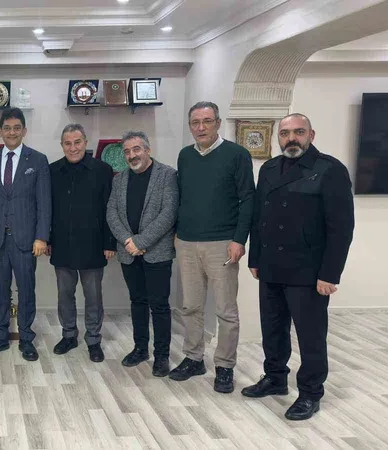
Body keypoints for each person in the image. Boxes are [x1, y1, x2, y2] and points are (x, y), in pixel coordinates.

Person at [243, 113, 354, 421]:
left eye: (298, 132)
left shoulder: (330, 169)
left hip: (308, 270)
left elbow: (341, 228)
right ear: (278, 137)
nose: (291, 138)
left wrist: (330, 274)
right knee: (272, 328)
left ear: (311, 135)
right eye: (285, 133)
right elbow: (259, 217)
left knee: (310, 335)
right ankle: (275, 378)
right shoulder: (268, 168)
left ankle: (310, 392)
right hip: (271, 265)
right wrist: (255, 258)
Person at [170, 101, 255, 394]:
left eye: (207, 121)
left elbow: (248, 199)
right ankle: (194, 358)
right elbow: (182, 197)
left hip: (222, 244)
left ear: (218, 123)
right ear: (190, 126)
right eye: (195, 122)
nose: (201, 127)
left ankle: (225, 366)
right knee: (190, 306)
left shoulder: (237, 155)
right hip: (187, 242)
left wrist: (239, 239)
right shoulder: (185, 156)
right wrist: (177, 233)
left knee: (225, 310)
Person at [0, 107, 51, 361]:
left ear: (24, 131)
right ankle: (0, 337)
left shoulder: (37, 160)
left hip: (26, 240)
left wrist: (41, 237)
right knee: (0, 290)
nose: (12, 132)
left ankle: (26, 338)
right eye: (7, 128)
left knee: (26, 290)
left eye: (17, 128)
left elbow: (44, 203)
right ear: (0, 131)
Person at [107, 131, 178, 377]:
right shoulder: (119, 180)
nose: (132, 155)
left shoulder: (167, 175)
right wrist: (129, 242)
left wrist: (141, 241)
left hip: (157, 252)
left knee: (159, 305)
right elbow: (111, 213)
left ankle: (162, 356)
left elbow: (169, 213)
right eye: (127, 151)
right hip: (129, 252)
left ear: (147, 149)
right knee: (137, 302)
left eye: (136, 149)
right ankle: (140, 349)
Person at [47, 123, 115, 363]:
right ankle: (69, 335)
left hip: (93, 244)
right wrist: (47, 239)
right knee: (64, 295)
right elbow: (47, 209)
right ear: (62, 145)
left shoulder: (102, 170)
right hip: (62, 244)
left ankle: (93, 340)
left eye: (77, 142)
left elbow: (110, 209)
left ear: (85, 142)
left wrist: (110, 243)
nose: (73, 147)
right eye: (68, 143)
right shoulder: (52, 170)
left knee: (93, 296)